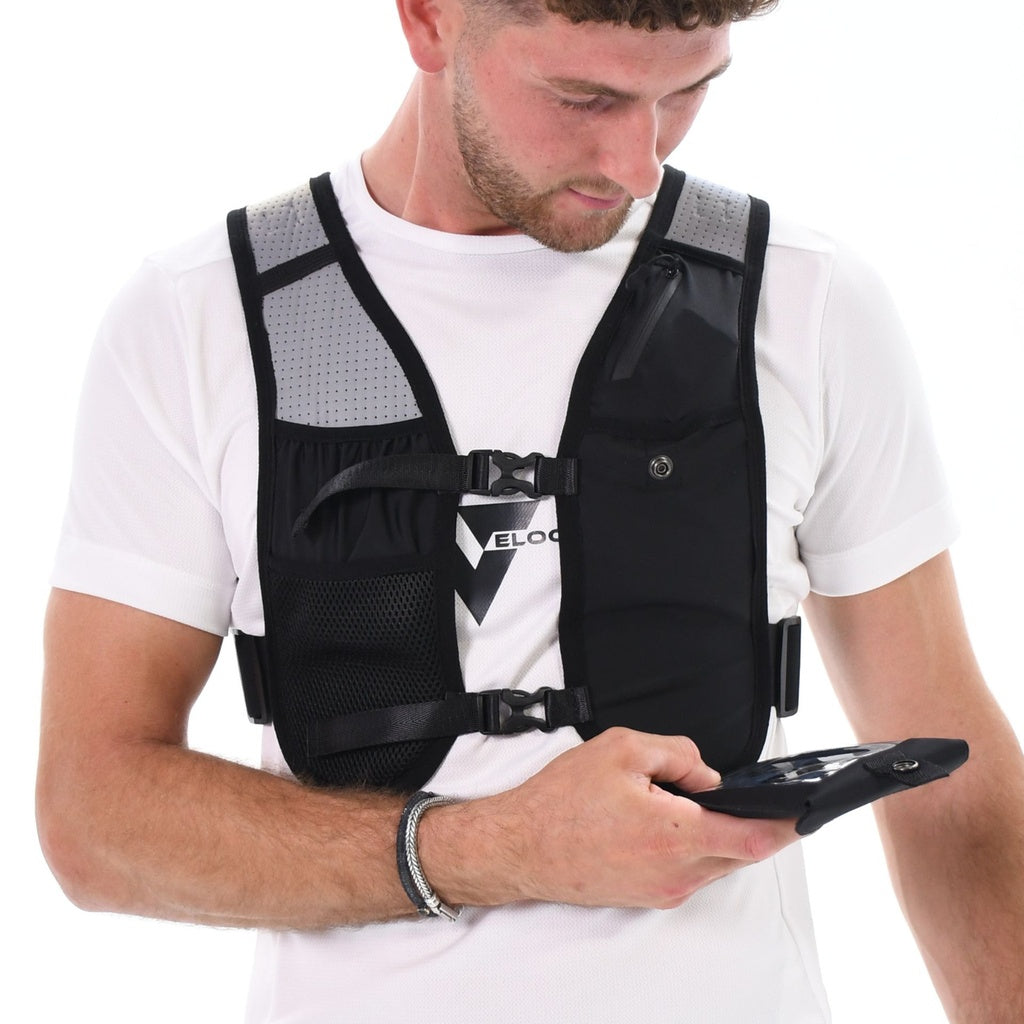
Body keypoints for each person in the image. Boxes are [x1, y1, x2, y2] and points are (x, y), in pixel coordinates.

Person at [36, 1, 1024, 1021]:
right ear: (427, 20)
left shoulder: (803, 298)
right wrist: (497, 849)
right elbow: (95, 819)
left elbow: (947, 760)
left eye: (687, 91)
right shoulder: (201, 318)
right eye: (583, 96)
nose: (639, 163)